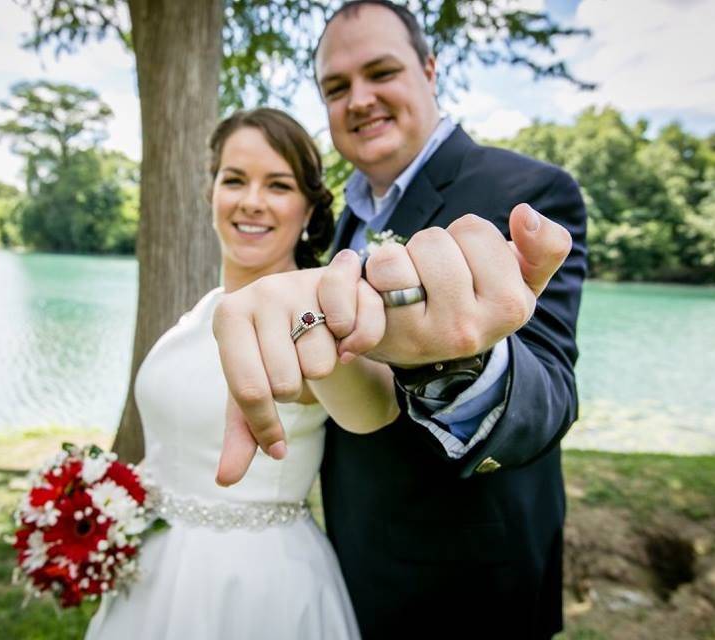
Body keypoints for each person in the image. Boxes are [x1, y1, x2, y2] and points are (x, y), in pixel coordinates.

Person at [212, 2, 588, 638]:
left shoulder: (526, 190)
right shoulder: (347, 226)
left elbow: (549, 396)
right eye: (336, 87)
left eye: (380, 72)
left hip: (469, 582)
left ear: (430, 68)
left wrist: (457, 361)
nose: (358, 99)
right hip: (350, 564)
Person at [84, 108, 401, 639]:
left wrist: (321, 329)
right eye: (234, 180)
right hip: (152, 569)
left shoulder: (318, 314)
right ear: (212, 193)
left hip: (258, 584)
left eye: (277, 185)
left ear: (307, 209)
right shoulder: (202, 310)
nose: (251, 201)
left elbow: (372, 408)